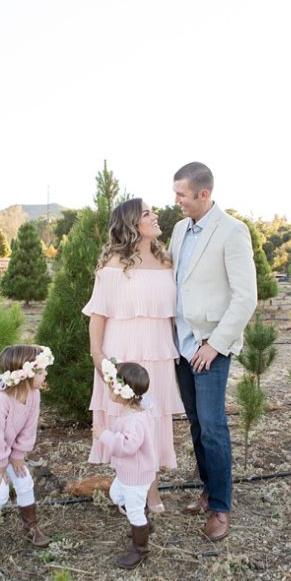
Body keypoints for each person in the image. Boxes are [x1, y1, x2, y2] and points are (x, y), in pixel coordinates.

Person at [169, 161, 257, 542]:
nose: (176, 202)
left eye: (182, 195)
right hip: (181, 345)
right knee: (195, 424)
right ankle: (207, 490)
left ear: (203, 194)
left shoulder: (233, 232)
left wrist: (215, 345)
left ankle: (221, 507)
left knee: (214, 428)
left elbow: (245, 297)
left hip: (211, 348)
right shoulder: (178, 229)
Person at [83, 197, 182, 511]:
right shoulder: (112, 267)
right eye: (147, 213)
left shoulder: (167, 263)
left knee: (153, 420)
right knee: (127, 420)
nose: (154, 216)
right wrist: (99, 359)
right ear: (131, 225)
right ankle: (133, 489)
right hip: (122, 353)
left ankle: (148, 489)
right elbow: (98, 316)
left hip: (159, 354)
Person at [0, 344, 54, 558]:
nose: (46, 374)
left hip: (8, 450)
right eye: (42, 370)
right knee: (0, 491)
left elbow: (28, 428)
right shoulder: (1, 401)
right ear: (26, 374)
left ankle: (30, 526)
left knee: (25, 482)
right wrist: (0, 464)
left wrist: (17, 456)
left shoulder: (33, 395)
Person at [92, 360, 157, 569]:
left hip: (136, 474)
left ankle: (140, 549)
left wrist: (105, 435)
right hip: (128, 472)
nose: (109, 387)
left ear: (123, 391)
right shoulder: (134, 412)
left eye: (112, 384)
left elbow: (128, 447)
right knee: (116, 495)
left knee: (134, 509)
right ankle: (144, 522)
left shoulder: (135, 420)